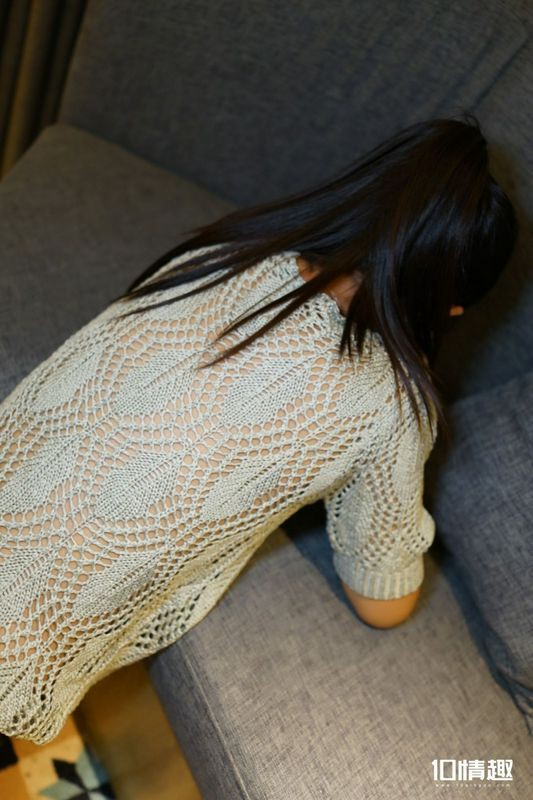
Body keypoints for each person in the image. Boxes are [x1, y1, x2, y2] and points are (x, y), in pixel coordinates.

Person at [0, 113, 518, 744]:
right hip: (21, 643)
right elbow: (382, 598)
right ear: (453, 306)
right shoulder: (391, 405)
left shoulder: (233, 250)